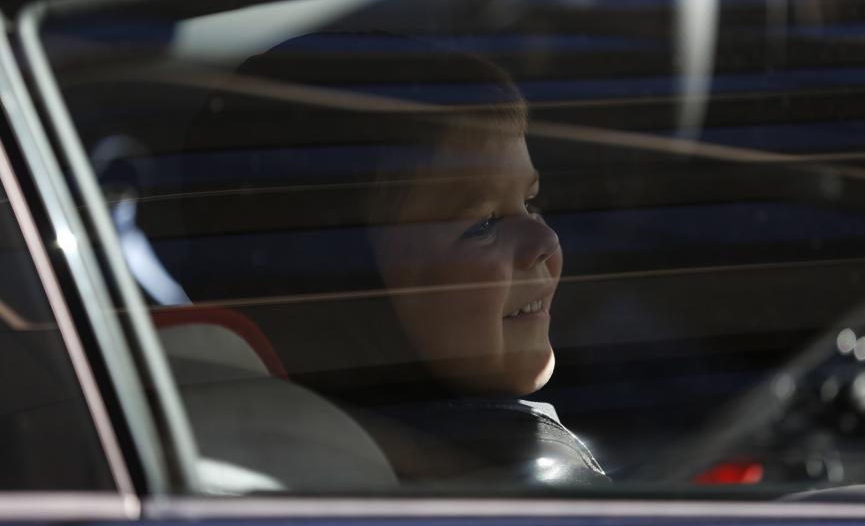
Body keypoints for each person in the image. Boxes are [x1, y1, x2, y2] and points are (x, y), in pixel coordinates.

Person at [190, 31, 607, 485]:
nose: (544, 240)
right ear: (346, 287)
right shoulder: (519, 475)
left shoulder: (240, 440)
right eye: (483, 224)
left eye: (531, 202)